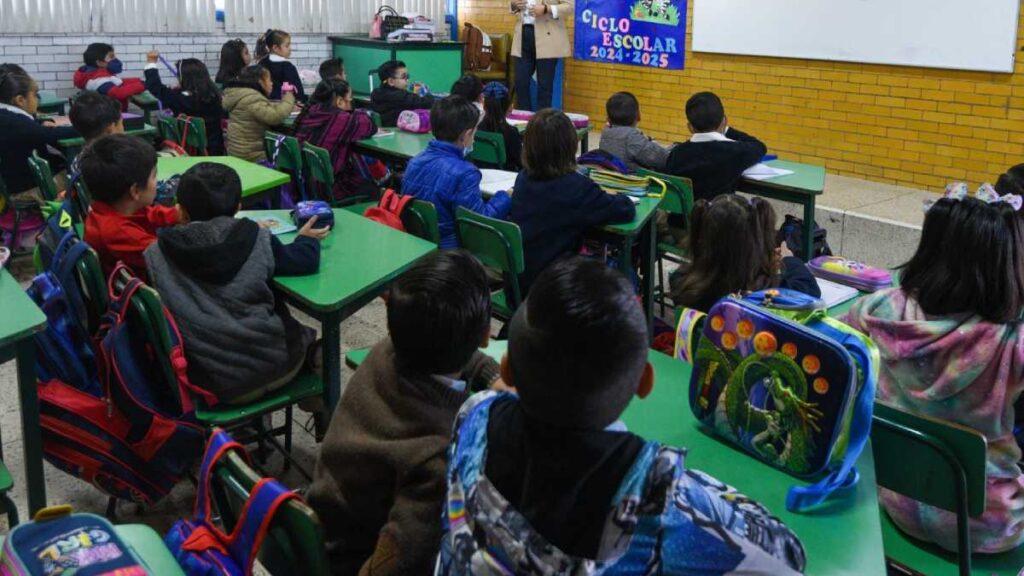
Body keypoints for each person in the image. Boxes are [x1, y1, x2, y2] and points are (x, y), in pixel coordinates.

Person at [436, 256, 807, 574]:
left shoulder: (473, 414)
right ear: (644, 382)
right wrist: (693, 486)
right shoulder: (659, 510)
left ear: (508, 370)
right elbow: (789, 555)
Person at [847, 187, 1024, 554]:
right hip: (989, 531)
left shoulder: (878, 309)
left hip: (899, 501)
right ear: (1004, 264)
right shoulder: (1012, 344)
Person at [307, 250, 503, 576]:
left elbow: (449, 343)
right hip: (351, 559)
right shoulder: (435, 457)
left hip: (324, 517)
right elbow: (399, 563)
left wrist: (490, 375)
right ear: (486, 335)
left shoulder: (390, 348)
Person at [144, 162, 327, 404]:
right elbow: (304, 261)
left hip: (207, 383)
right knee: (320, 344)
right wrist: (305, 240)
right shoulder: (256, 238)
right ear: (239, 207)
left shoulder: (155, 254)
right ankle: (320, 407)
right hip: (276, 365)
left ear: (181, 211)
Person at [509, 109, 635, 296]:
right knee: (628, 275)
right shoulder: (576, 187)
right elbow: (625, 209)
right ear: (571, 145)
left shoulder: (523, 179)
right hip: (554, 292)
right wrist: (611, 193)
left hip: (518, 286)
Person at [671, 194, 820, 311]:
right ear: (756, 239)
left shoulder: (682, 283)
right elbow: (810, 292)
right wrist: (789, 260)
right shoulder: (767, 293)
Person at [401, 96, 511, 249]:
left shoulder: (415, 162)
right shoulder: (465, 173)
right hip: (452, 251)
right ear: (466, 135)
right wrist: (505, 197)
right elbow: (480, 222)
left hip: (419, 244)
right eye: (474, 134)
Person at [80, 134, 179, 278]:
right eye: (154, 176)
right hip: (142, 289)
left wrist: (176, 214)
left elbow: (147, 213)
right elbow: (170, 258)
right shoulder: (120, 233)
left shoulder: (113, 207)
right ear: (136, 191)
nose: (157, 182)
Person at [664, 91, 767, 201]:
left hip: (682, 217)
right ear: (724, 121)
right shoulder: (735, 152)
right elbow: (759, 146)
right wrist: (727, 130)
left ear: (690, 127)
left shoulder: (676, 154)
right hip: (718, 216)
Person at [0, 66, 77, 205]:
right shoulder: (15, 122)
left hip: (13, 184)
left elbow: (35, 129)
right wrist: (87, 126)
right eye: (35, 95)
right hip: (28, 190)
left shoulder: (6, 115)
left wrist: (39, 122)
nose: (38, 99)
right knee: (83, 176)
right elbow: (48, 134)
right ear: (20, 100)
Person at [293, 79, 378, 202]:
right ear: (339, 101)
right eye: (350, 99)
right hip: (328, 189)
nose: (351, 102)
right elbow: (370, 126)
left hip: (305, 185)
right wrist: (357, 113)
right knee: (374, 190)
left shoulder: (311, 111)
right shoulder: (340, 119)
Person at [144, 51, 226, 155]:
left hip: (189, 151)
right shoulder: (215, 95)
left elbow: (155, 87)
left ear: (184, 78)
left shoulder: (181, 99)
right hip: (216, 149)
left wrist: (151, 63)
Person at [223, 65, 295, 162]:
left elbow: (263, 107)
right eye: (269, 80)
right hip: (252, 155)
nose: (271, 83)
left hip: (238, 151)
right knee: (292, 154)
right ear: (261, 82)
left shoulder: (243, 94)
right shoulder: (252, 98)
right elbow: (276, 116)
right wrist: (288, 97)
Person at [510, 0, 570, 111]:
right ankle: (524, 120)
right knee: (520, 82)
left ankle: (542, 124)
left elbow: (569, 7)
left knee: (544, 86)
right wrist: (513, 5)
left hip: (548, 37)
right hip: (523, 36)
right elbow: (512, 5)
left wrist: (546, 9)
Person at [599, 91, 671, 172]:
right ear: (638, 116)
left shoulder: (605, 133)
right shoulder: (632, 137)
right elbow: (663, 159)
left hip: (611, 180)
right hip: (633, 181)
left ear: (608, 119)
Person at [73, 42, 145, 110]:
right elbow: (118, 93)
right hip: (108, 118)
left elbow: (119, 82)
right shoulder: (99, 80)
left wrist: (139, 81)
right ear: (100, 62)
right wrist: (143, 85)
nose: (115, 59)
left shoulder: (98, 74)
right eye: (111, 57)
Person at [369, 60, 434, 127]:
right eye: (404, 77)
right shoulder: (399, 96)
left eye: (407, 77)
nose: (407, 80)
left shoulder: (376, 93)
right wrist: (429, 95)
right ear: (391, 81)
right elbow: (425, 103)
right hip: (398, 132)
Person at [478, 82, 522, 171]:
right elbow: (521, 162)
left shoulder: (477, 129)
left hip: (482, 174)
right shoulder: (511, 133)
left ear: (484, 105)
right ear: (509, 107)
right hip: (507, 176)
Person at [256, 28, 306, 102]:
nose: (290, 49)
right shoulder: (287, 67)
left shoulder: (261, 63)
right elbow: (299, 92)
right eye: (287, 46)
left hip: (264, 104)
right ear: (275, 48)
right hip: (285, 106)